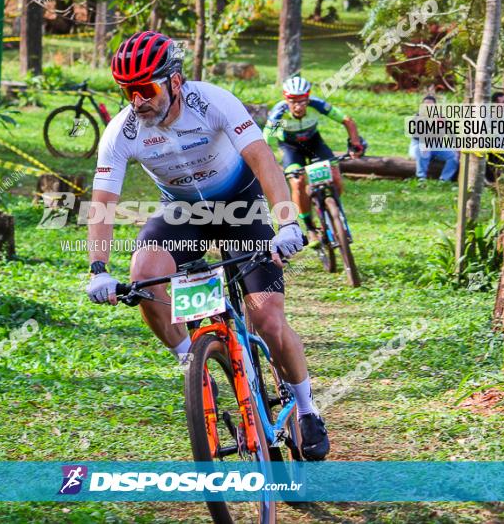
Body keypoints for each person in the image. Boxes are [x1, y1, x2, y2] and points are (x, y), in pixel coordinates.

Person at [85, 31, 330, 460]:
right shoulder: (121, 131)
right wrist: (98, 268)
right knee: (144, 275)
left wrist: (287, 223)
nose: (137, 100)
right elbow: (103, 202)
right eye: (127, 91)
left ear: (175, 81)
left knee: (268, 321)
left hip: (241, 206)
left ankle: (307, 408)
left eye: (146, 89)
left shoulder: (212, 101)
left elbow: (262, 159)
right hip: (183, 214)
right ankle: (193, 365)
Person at [263, 76, 365, 244]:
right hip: (291, 147)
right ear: (285, 98)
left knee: (336, 177)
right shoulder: (279, 113)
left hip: (314, 142)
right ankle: (310, 228)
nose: (297, 106)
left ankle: (332, 211)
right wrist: (269, 162)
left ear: (308, 98)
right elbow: (265, 140)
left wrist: (355, 143)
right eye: (292, 101)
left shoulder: (317, 105)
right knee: (297, 182)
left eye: (302, 101)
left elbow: (347, 121)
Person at [410, 94, 458, 181]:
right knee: (424, 149)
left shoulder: (440, 118)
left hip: (436, 146)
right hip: (419, 145)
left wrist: (457, 147)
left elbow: (451, 134)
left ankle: (444, 179)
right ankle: (421, 177)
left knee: (454, 156)